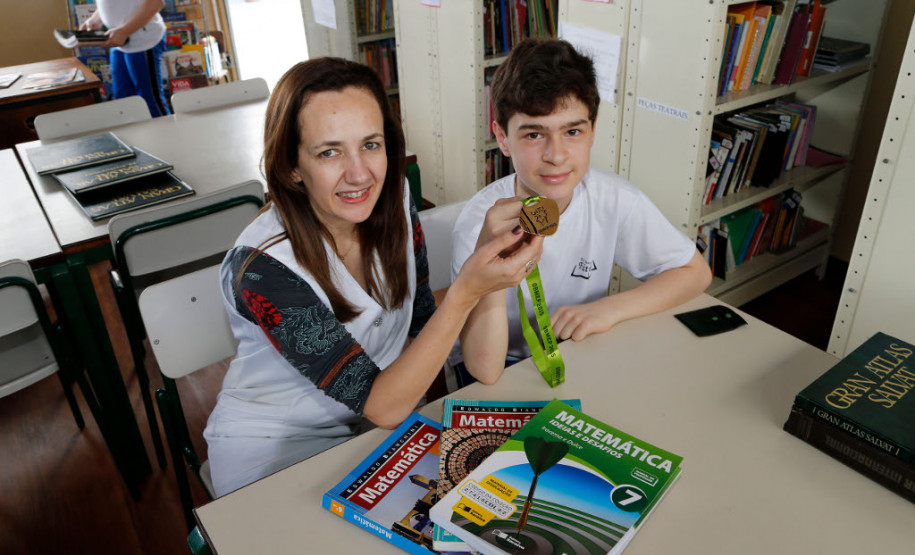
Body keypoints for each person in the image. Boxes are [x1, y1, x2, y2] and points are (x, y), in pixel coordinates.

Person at [204, 58, 542, 497]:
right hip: (276, 449)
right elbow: (384, 404)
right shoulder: (260, 268)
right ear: (291, 166)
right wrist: (466, 291)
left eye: (371, 144)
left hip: (373, 425)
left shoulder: (396, 193)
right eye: (329, 152)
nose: (360, 173)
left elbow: (419, 318)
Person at [453, 38, 713, 379]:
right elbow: (484, 371)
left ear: (592, 132)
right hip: (508, 367)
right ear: (502, 138)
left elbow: (696, 273)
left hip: (580, 351)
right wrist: (489, 260)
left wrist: (609, 309)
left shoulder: (615, 199)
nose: (556, 155)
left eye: (572, 131)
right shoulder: (478, 226)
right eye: (533, 135)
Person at [80, 0, 171, 116]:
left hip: (142, 40)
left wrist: (124, 31)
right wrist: (95, 19)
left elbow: (155, 3)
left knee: (149, 102)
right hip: (119, 42)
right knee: (123, 102)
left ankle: (164, 133)